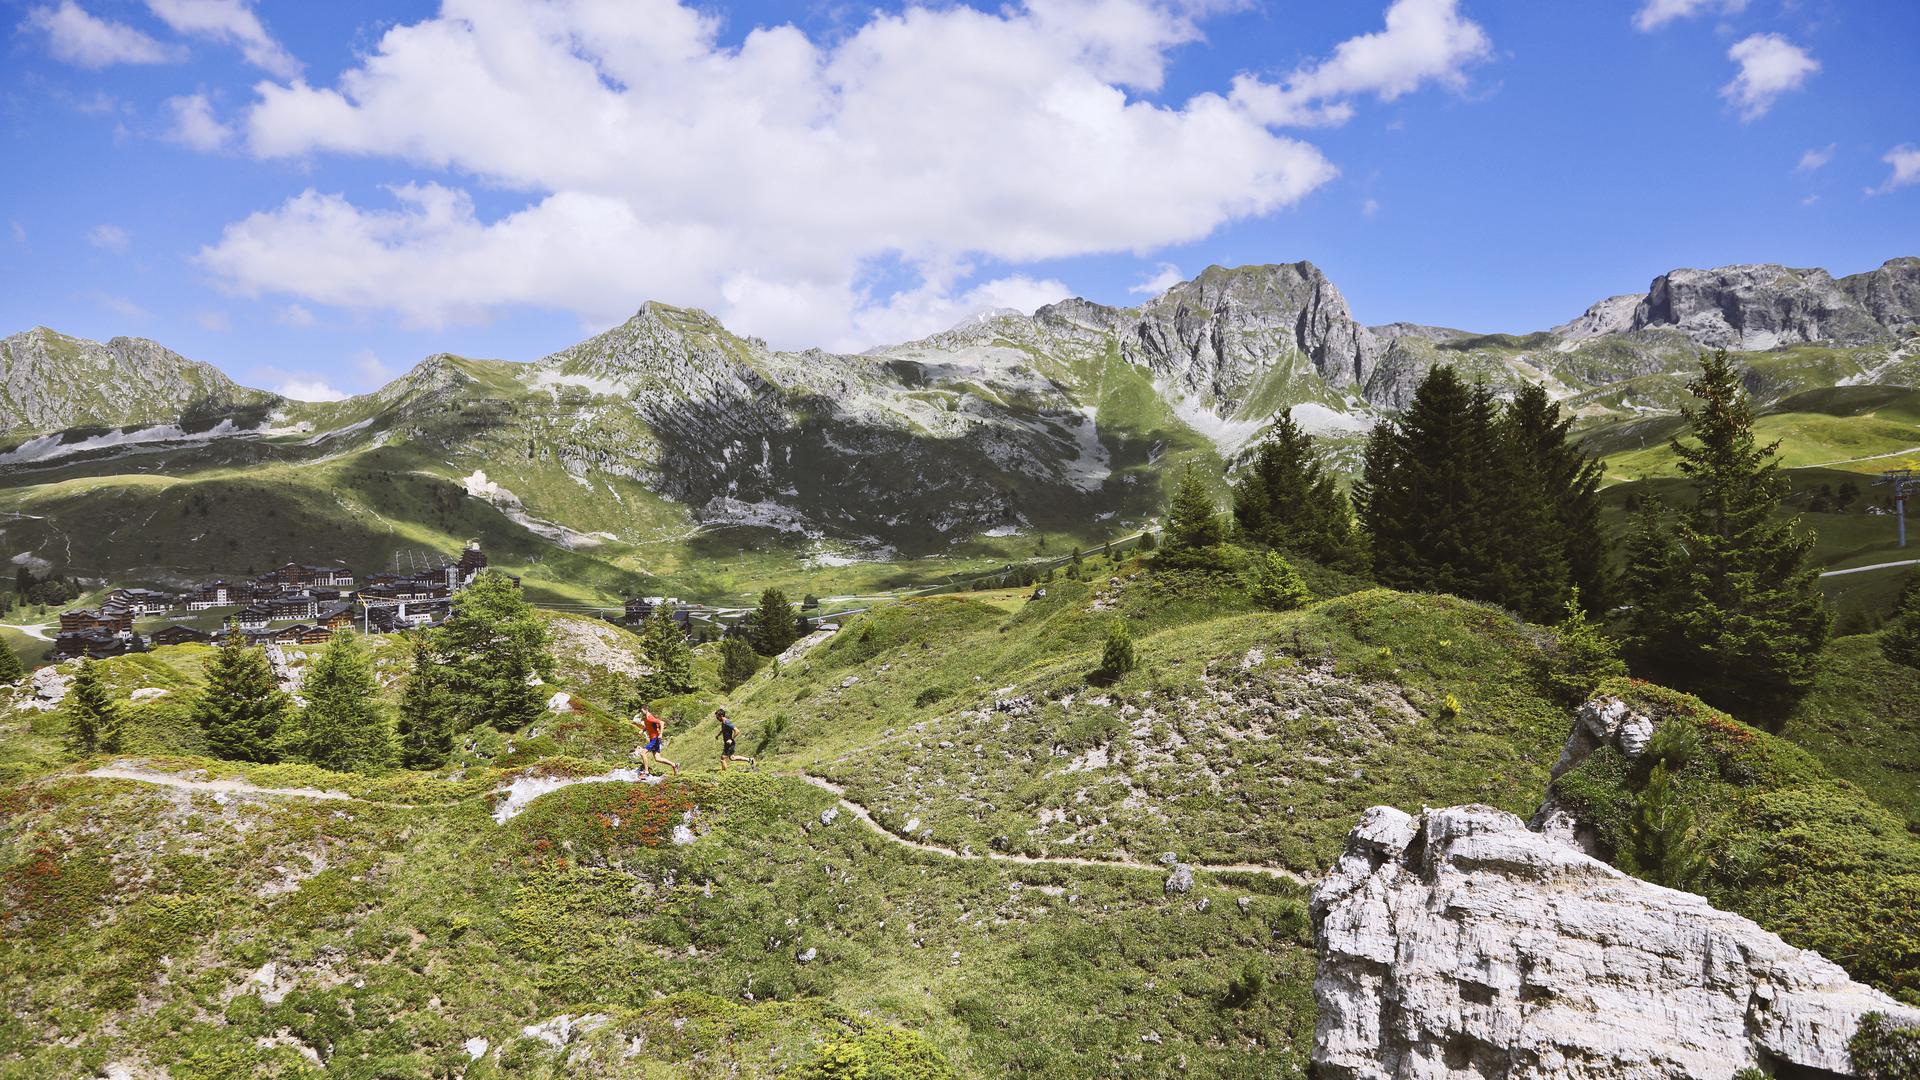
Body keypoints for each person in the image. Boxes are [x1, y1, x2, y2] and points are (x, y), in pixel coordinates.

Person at [633, 707, 679, 777]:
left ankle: (646, 772)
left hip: (655, 739)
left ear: (646, 710)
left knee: (642, 753)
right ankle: (674, 765)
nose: (641, 713)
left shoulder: (650, 718)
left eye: (642, 711)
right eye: (641, 711)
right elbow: (648, 726)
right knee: (658, 758)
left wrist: (660, 734)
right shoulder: (646, 718)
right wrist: (643, 730)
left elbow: (662, 723)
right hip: (653, 739)